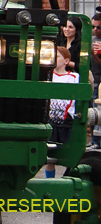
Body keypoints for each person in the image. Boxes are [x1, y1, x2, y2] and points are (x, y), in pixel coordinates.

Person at [46, 46, 79, 178]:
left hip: (67, 121)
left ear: (66, 61)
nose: (54, 58)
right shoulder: (47, 76)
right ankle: (49, 181)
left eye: (57, 56)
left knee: (71, 155)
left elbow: (90, 80)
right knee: (50, 157)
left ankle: (67, 179)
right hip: (50, 120)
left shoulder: (74, 77)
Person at [89, 9, 101, 148]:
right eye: (93, 26)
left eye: (99, 27)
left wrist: (95, 54)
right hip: (91, 78)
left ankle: (97, 142)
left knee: (97, 112)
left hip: (98, 79)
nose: (95, 30)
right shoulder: (90, 39)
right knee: (91, 113)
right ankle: (94, 141)